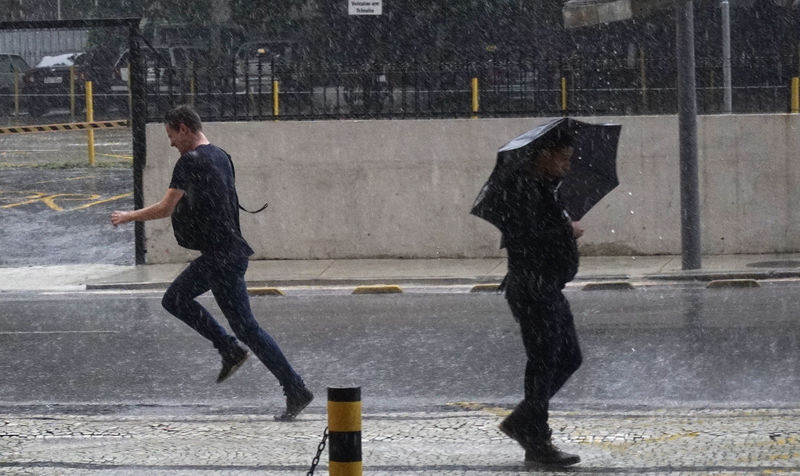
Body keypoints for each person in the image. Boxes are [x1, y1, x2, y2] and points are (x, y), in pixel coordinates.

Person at [111, 104, 313, 421]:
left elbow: (166, 208)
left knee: (177, 300)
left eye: (171, 135)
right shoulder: (221, 155)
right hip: (227, 253)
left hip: (222, 256)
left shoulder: (189, 162)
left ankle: (244, 357)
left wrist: (128, 217)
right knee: (246, 328)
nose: (171, 143)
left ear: (184, 128)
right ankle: (288, 383)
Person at [496, 130, 583, 467]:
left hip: (546, 285)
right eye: (563, 158)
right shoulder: (520, 189)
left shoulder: (545, 189)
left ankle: (524, 422)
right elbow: (525, 237)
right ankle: (536, 441)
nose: (567, 165)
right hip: (532, 288)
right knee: (543, 363)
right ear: (544, 155)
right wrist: (567, 230)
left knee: (568, 357)